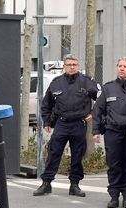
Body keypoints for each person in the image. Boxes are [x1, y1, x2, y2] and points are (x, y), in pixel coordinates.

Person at [33, 54, 100, 197]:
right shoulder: (56, 82)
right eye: (69, 65)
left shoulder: (87, 82)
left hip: (79, 124)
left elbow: (101, 99)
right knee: (54, 153)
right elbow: (47, 104)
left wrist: (93, 113)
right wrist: (47, 122)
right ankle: (46, 183)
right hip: (61, 124)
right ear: (64, 67)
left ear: (78, 66)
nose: (72, 67)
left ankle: (74, 185)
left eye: (74, 64)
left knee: (77, 155)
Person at [92, 57, 126, 208]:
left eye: (125, 66)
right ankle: (114, 196)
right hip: (113, 132)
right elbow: (98, 110)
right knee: (114, 165)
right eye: (119, 66)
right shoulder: (108, 88)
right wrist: (96, 130)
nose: (121, 69)